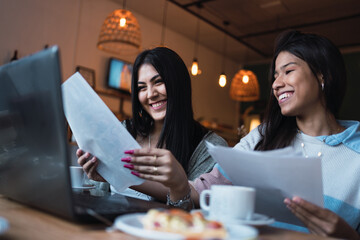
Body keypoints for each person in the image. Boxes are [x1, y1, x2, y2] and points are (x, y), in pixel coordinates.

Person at [124, 30, 360, 238]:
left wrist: (347, 235)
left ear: (322, 76)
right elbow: (198, 193)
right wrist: (171, 180)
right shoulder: (262, 136)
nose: (276, 84)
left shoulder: (356, 154)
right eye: (275, 76)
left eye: (288, 71)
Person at [77, 47, 227, 208]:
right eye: (142, 87)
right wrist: (94, 175)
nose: (150, 94)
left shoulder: (210, 147)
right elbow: (101, 194)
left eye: (158, 82)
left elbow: (193, 211)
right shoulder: (124, 130)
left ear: (179, 84)